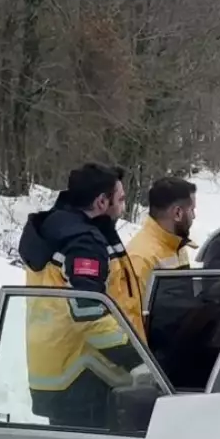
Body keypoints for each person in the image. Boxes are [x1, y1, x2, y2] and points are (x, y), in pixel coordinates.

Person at [19, 163, 145, 425]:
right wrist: (136, 361)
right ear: (101, 202)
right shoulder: (84, 243)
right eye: (120, 200)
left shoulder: (54, 228)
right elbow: (89, 313)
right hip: (86, 375)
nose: (123, 208)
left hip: (56, 368)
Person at [127, 176, 197, 311]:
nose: (194, 216)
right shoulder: (140, 257)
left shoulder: (177, 246)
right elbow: (133, 319)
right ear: (177, 213)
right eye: (192, 210)